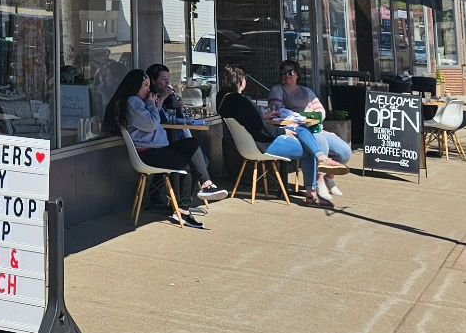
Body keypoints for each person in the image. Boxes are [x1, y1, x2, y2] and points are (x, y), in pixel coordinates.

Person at [104, 68, 225, 227]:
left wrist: (157, 104)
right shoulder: (133, 102)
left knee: (192, 144)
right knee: (186, 163)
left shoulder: (139, 102)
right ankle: (183, 210)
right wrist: (152, 104)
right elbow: (152, 124)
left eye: (148, 85)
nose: (148, 89)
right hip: (148, 153)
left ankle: (206, 184)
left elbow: (156, 120)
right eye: (145, 86)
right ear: (135, 87)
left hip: (158, 148)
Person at [216, 64, 327, 207]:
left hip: (245, 145)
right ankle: (311, 192)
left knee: (299, 131)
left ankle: (321, 157)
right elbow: (260, 130)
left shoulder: (223, 99)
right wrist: (282, 131)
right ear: (240, 81)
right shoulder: (242, 101)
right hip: (263, 145)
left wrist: (264, 117)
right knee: (307, 148)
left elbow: (249, 121)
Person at [267, 59, 352, 201]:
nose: (286, 75)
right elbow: (279, 111)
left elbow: (321, 112)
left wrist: (309, 117)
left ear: (297, 74)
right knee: (321, 144)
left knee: (345, 152)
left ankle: (328, 178)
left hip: (315, 128)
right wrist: (305, 116)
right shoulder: (278, 89)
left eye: (290, 72)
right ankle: (318, 181)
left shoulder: (307, 91)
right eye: (283, 72)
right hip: (298, 130)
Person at [146, 63, 228, 201]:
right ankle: (183, 201)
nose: (167, 82)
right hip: (154, 144)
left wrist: (178, 105)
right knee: (188, 156)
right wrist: (163, 98)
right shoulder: (149, 99)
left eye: (169, 79)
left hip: (167, 139)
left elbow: (176, 119)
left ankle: (202, 187)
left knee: (192, 146)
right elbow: (155, 121)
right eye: (163, 79)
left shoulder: (167, 97)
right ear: (153, 81)